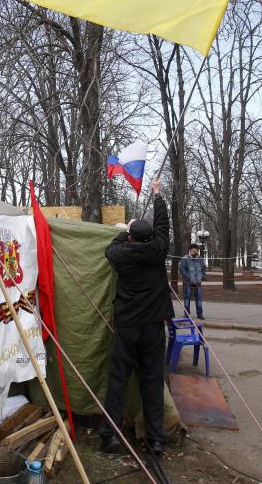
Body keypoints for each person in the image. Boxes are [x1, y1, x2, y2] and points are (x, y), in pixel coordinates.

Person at [99, 178, 172, 457]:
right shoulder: (158, 249)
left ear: (130, 237)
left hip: (128, 328)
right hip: (153, 328)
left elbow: (110, 249)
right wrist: (157, 194)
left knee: (118, 380)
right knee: (153, 382)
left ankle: (109, 436)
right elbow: (163, 226)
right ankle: (155, 440)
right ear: (150, 238)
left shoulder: (121, 253)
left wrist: (125, 231)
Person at [179, 243, 206, 319]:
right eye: (196, 249)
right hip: (188, 283)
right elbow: (182, 269)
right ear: (191, 250)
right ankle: (187, 314)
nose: (197, 250)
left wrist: (202, 276)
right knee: (187, 299)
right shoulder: (185, 259)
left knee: (199, 299)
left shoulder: (200, 259)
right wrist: (188, 277)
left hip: (198, 283)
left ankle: (200, 314)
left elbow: (204, 268)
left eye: (198, 249)